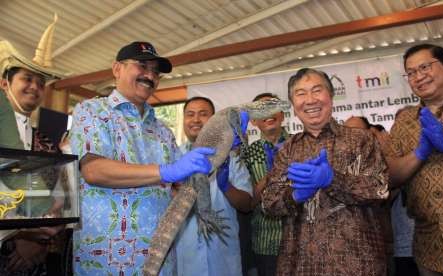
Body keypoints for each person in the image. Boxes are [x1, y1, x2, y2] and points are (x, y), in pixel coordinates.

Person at [69, 42, 215, 275]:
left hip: (160, 261)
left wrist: (218, 152)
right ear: (117, 69)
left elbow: (181, 189)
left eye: (156, 71)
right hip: (107, 261)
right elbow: (93, 171)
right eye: (142, 66)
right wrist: (164, 172)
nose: (150, 75)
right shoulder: (92, 111)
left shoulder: (163, 131)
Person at [261, 68, 389, 275]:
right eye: (301, 94)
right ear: (293, 105)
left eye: (317, 90)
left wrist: (333, 179)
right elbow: (268, 204)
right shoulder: (287, 150)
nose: (310, 100)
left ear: (330, 96)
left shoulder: (361, 140)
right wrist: (293, 196)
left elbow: (379, 189)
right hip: (301, 265)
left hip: (358, 263)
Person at [385, 43, 443, 276]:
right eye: (411, 73)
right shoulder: (405, 121)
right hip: (431, 247)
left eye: (425, 67)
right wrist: (417, 154)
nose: (418, 77)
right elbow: (390, 175)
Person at [0, 16, 71, 275]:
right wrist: (19, 234)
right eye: (27, 79)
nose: (35, 87)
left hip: (35, 261)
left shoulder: (45, 143)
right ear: (5, 83)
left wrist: (41, 241)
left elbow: (59, 197)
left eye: (41, 83)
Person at [175, 96, 253, 276]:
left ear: (214, 120)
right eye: (190, 114)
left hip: (223, 256)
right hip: (186, 258)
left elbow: (247, 204)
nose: (196, 120)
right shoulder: (172, 158)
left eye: (203, 114)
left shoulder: (230, 158)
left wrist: (226, 187)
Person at [243, 92, 289, 276]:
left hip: (303, 239)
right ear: (254, 121)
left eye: (272, 106)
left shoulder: (301, 144)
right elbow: (247, 202)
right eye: (261, 110)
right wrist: (269, 177)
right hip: (265, 242)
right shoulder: (247, 154)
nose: (268, 113)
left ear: (282, 114)